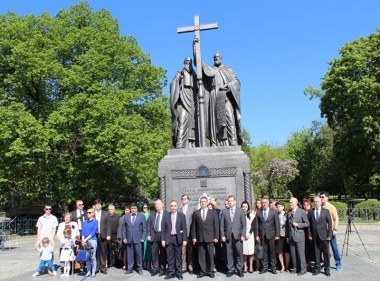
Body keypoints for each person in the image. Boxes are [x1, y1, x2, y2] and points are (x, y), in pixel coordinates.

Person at [194, 45, 242, 146]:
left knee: (229, 116)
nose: (217, 58)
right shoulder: (210, 69)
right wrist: (195, 47)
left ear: (221, 58)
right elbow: (199, 64)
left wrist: (228, 85)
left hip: (225, 96)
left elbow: (236, 81)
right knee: (214, 120)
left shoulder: (227, 69)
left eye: (218, 57)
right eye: (215, 57)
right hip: (213, 96)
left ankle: (232, 141)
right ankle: (214, 142)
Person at [170, 57, 199, 148]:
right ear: (184, 62)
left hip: (193, 100)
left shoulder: (195, 74)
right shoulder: (180, 73)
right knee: (182, 119)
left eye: (190, 62)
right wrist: (179, 80)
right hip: (183, 99)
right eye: (187, 61)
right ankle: (180, 142)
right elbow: (172, 84)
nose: (189, 63)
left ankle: (192, 144)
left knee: (193, 122)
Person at [191, 196, 219, 278]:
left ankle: (210, 271)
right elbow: (193, 226)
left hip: (210, 237)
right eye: (201, 201)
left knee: (210, 255)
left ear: (207, 202)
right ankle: (202, 271)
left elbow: (216, 225)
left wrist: (216, 237)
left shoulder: (213, 212)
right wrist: (194, 237)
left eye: (204, 201)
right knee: (201, 255)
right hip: (200, 238)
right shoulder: (196, 213)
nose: (202, 203)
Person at [220, 195, 246, 278]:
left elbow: (244, 224)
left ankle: (239, 270)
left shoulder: (240, 211)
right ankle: (230, 269)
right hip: (227, 236)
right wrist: (222, 235)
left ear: (235, 201)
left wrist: (243, 234)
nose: (230, 202)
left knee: (239, 253)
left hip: (238, 236)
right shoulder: (224, 211)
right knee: (229, 253)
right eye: (229, 201)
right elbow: (221, 225)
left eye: (231, 200)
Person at [161, 200, 188, 280]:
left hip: (178, 238)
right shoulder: (166, 216)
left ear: (177, 206)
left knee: (178, 257)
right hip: (169, 239)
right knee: (170, 257)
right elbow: (163, 229)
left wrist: (184, 239)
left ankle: (179, 273)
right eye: (172, 206)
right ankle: (171, 272)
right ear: (170, 207)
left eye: (174, 206)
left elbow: (184, 228)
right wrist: (163, 239)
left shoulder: (181, 215)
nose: (173, 207)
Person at [254, 196, 280, 275]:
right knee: (264, 252)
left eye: (265, 202)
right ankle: (264, 267)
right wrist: (257, 235)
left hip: (271, 234)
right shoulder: (258, 212)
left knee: (272, 251)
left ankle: (273, 267)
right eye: (262, 203)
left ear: (268, 203)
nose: (264, 204)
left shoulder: (273, 211)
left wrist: (277, 234)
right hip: (262, 235)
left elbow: (277, 224)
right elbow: (256, 225)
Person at [307, 196, 333, 276]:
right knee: (316, 252)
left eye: (318, 201)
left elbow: (330, 223)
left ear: (321, 201)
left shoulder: (326, 211)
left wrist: (329, 235)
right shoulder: (311, 211)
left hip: (324, 235)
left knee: (326, 253)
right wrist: (309, 234)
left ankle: (327, 269)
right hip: (315, 236)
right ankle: (317, 268)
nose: (316, 203)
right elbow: (308, 224)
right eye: (315, 201)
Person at [286, 197, 310, 276]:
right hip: (291, 236)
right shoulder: (289, 213)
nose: (290, 204)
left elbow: (307, 223)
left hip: (299, 235)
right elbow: (287, 226)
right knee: (293, 254)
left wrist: (298, 225)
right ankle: (296, 268)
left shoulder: (301, 211)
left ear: (296, 203)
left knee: (300, 253)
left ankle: (303, 269)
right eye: (290, 203)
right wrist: (288, 237)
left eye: (291, 203)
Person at [122, 202, 146, 275]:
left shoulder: (141, 216)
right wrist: (124, 238)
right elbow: (123, 229)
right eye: (132, 208)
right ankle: (130, 268)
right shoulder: (126, 216)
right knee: (129, 254)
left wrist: (143, 237)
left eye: (134, 208)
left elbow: (144, 229)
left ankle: (139, 268)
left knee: (138, 254)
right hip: (129, 238)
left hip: (138, 238)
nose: (133, 210)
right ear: (130, 209)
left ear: (137, 208)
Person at [320, 191, 342, 271]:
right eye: (320, 197)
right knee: (324, 249)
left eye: (322, 197)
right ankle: (325, 263)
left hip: (330, 230)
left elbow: (336, 219)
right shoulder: (320, 207)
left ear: (327, 198)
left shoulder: (331, 207)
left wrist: (335, 229)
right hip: (322, 231)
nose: (321, 198)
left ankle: (338, 263)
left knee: (334, 247)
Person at [148, 199, 168, 276]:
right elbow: (149, 226)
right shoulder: (152, 214)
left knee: (163, 253)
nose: (157, 205)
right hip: (154, 235)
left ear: (162, 205)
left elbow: (168, 227)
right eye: (156, 204)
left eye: (159, 204)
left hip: (162, 236)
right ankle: (155, 269)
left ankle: (162, 269)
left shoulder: (167, 214)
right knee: (154, 253)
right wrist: (148, 234)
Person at [178, 194, 196, 274]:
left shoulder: (193, 209)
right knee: (183, 251)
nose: (184, 200)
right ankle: (183, 267)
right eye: (182, 199)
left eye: (185, 199)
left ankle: (190, 266)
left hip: (190, 233)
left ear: (188, 200)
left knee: (190, 251)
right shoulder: (179, 210)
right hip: (182, 234)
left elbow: (194, 222)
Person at [82, 207, 98, 278]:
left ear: (93, 214)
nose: (88, 214)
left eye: (90, 212)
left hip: (92, 240)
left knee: (92, 256)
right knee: (87, 257)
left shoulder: (95, 221)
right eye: (87, 212)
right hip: (85, 240)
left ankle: (93, 271)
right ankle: (88, 271)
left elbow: (93, 232)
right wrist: (83, 240)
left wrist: (86, 239)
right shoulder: (85, 222)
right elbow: (83, 232)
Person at [93, 199, 108, 274]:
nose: (98, 205)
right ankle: (96, 267)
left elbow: (108, 225)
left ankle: (103, 267)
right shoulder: (92, 213)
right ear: (94, 205)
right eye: (97, 204)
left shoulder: (105, 213)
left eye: (99, 204)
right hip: (94, 235)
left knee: (103, 252)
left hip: (103, 234)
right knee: (95, 251)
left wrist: (108, 235)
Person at [275, 201, 290, 273]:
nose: (278, 208)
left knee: (286, 251)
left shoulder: (287, 214)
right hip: (279, 235)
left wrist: (285, 232)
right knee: (279, 251)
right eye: (277, 207)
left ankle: (287, 266)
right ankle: (282, 266)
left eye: (279, 206)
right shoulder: (276, 215)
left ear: (283, 207)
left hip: (286, 235)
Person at [241, 201, 255, 274]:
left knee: (250, 251)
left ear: (248, 208)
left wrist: (249, 233)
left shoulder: (251, 215)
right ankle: (245, 266)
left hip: (250, 234)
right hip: (242, 234)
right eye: (243, 207)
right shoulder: (240, 215)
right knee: (244, 252)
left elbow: (253, 225)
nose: (244, 208)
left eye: (246, 207)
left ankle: (251, 266)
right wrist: (243, 234)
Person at [106, 204, 120, 268]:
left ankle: (117, 261)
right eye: (109, 209)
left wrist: (118, 236)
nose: (110, 210)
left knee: (116, 249)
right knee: (109, 249)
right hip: (109, 235)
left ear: (114, 210)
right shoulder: (106, 217)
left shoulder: (117, 217)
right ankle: (111, 262)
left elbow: (119, 226)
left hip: (115, 235)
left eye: (111, 209)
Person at [302, 199, 314, 271]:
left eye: (307, 205)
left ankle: (311, 264)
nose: (306, 206)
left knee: (311, 249)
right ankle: (307, 263)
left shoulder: (312, 212)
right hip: (303, 233)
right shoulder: (302, 212)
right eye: (304, 205)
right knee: (305, 249)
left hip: (311, 233)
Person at [117, 205, 130, 270]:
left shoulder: (132, 217)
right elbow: (119, 228)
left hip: (130, 236)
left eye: (128, 210)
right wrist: (119, 237)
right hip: (123, 237)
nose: (127, 211)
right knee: (124, 251)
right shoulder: (121, 218)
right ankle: (124, 264)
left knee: (130, 251)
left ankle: (130, 264)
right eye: (126, 210)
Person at [252, 199, 262, 272]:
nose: (258, 205)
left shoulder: (263, 211)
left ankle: (263, 264)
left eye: (259, 203)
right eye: (257, 203)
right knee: (257, 249)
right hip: (255, 233)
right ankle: (257, 265)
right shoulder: (253, 212)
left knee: (262, 249)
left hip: (262, 232)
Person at [142, 203, 152, 270]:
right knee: (143, 249)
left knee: (148, 249)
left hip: (148, 234)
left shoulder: (150, 215)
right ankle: (144, 262)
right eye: (144, 207)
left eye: (146, 207)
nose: (145, 208)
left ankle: (148, 263)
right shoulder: (141, 215)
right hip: (142, 235)